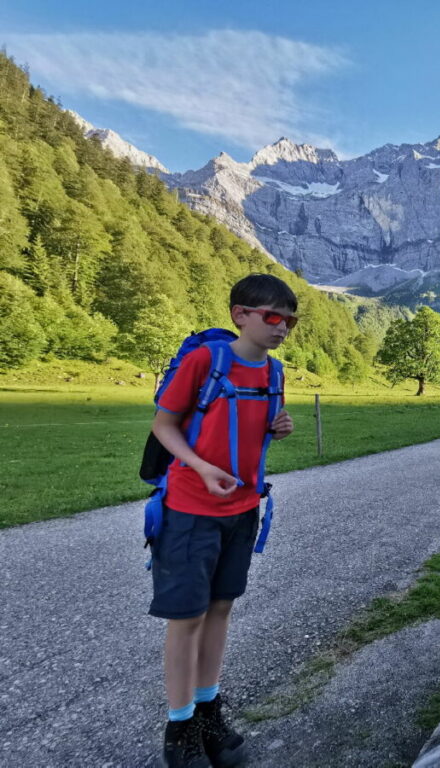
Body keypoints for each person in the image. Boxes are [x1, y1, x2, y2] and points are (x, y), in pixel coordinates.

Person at [149, 274, 296, 768]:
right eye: (272, 317)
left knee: (220, 611)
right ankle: (180, 727)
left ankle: (209, 711)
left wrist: (281, 425)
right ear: (240, 314)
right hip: (190, 512)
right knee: (186, 619)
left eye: (289, 320)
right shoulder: (204, 361)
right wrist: (201, 467)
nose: (282, 328)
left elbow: (251, 431)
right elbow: (164, 425)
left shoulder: (274, 374)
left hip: (243, 510)